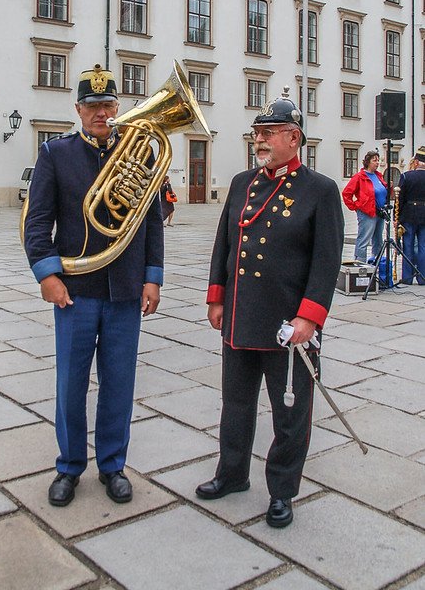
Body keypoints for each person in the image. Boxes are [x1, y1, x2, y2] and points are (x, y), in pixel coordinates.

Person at [195, 93, 344, 528]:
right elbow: (224, 242)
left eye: (267, 133)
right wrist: (216, 297)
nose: (258, 140)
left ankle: (282, 491)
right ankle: (232, 473)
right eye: (257, 133)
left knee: (289, 413)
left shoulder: (320, 190)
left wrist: (309, 317)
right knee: (236, 403)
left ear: (293, 138)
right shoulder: (243, 182)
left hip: (288, 325)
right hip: (241, 317)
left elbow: (326, 260)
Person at [23, 64, 164, 507]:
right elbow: (37, 220)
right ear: (78, 110)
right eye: (92, 106)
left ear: (118, 107)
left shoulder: (139, 153)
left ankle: (112, 465)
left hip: (124, 291)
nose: (101, 113)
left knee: (119, 382)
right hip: (75, 293)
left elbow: (152, 222)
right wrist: (47, 274)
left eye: (107, 105)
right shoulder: (56, 154)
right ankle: (68, 467)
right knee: (71, 384)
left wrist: (152, 278)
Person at [342, 150, 387, 264]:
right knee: (364, 238)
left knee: (378, 239)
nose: (377, 163)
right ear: (368, 162)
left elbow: (382, 191)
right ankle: (359, 262)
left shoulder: (378, 176)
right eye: (374, 160)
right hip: (367, 212)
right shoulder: (360, 177)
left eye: (378, 160)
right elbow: (347, 193)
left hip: (379, 212)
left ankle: (377, 262)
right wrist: (356, 206)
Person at [397, 146, 425, 285]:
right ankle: (422, 277)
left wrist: (398, 218)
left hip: (409, 214)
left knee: (407, 246)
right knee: (423, 247)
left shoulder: (407, 176)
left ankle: (407, 277)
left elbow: (400, 198)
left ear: (416, 162)